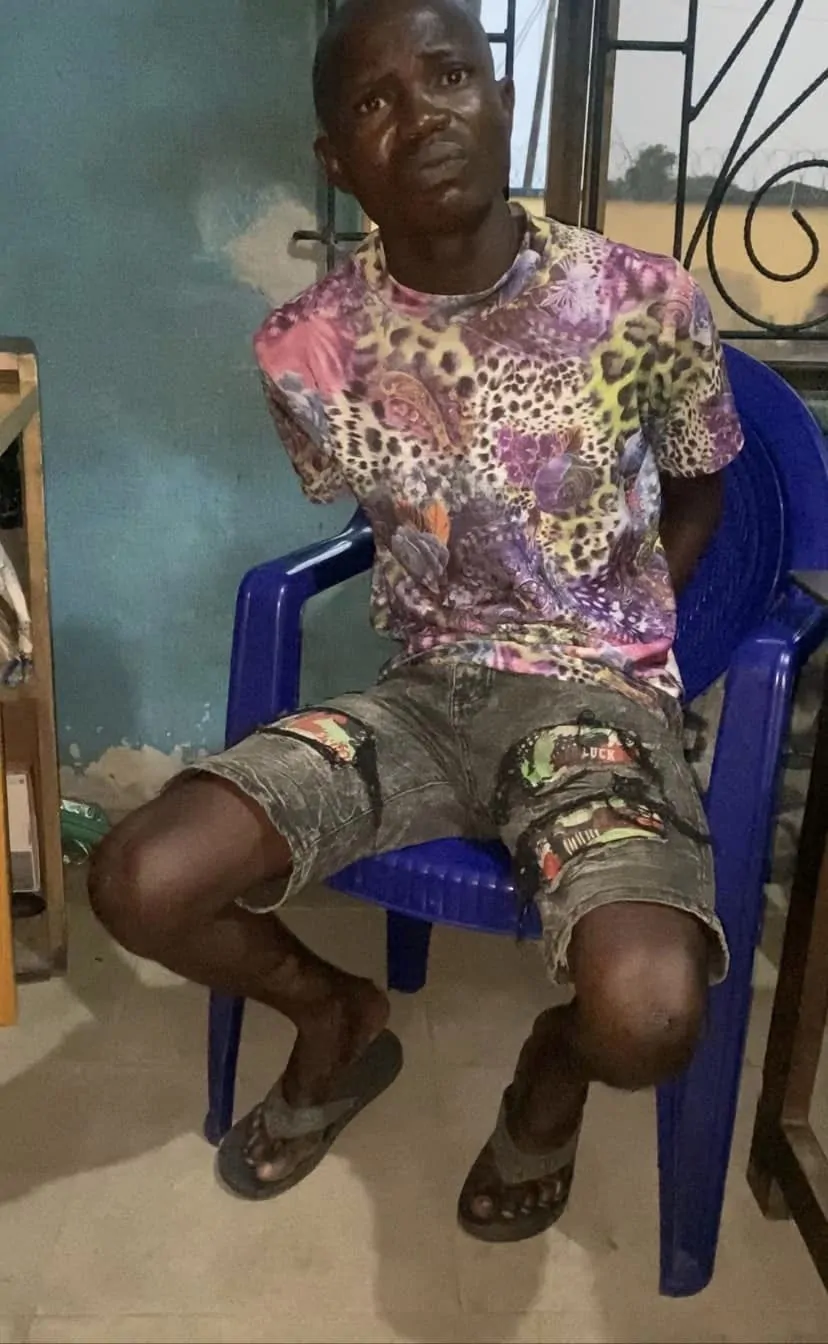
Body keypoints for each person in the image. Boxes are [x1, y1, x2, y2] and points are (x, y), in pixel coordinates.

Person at [89, 0, 744, 1242]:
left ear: (503, 101)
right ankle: (336, 1018)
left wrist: (620, 637)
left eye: (449, 76)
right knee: (138, 879)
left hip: (595, 705)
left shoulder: (643, 299)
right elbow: (377, 513)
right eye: (374, 102)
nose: (423, 115)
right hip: (421, 702)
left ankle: (551, 1074)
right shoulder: (307, 348)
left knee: (648, 1017)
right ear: (338, 160)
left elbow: (703, 486)